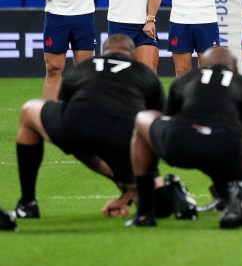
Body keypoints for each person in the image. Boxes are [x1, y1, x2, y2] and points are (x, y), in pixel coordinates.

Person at [13, 34, 165, 220]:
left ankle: (27, 203)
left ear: (104, 52)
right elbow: (155, 129)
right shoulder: (145, 73)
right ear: (133, 56)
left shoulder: (83, 67)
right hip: (124, 135)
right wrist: (149, 175)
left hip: (78, 127)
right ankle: (136, 188)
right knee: (154, 191)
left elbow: (64, 107)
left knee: (29, 112)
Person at [128, 47, 242, 230]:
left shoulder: (184, 80)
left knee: (143, 118)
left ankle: (145, 212)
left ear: (203, 65)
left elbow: (170, 121)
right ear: (235, 67)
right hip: (226, 145)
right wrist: (230, 179)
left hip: (181, 140)